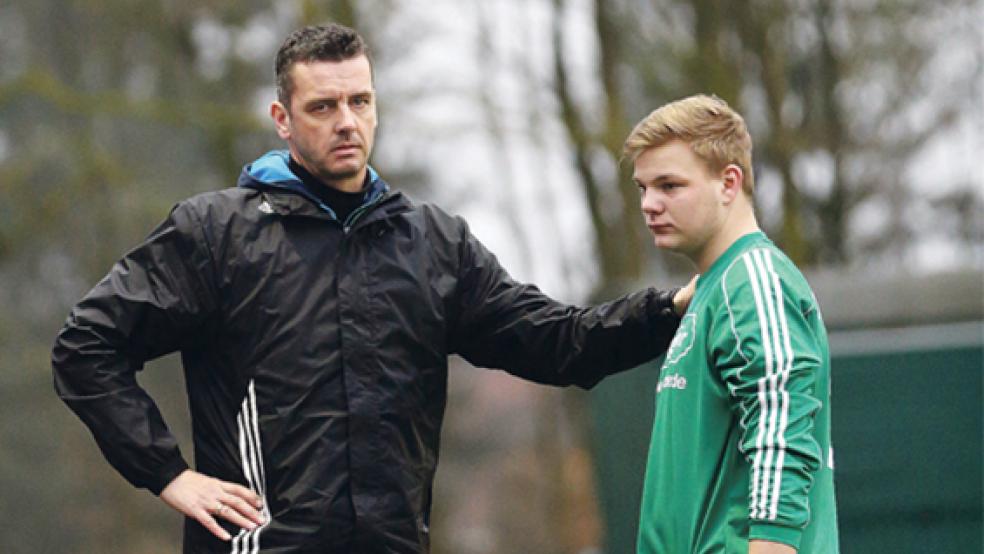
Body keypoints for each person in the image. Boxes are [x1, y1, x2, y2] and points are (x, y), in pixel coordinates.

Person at [51, 23, 692, 554]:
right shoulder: (216, 233)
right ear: (282, 118)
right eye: (323, 107)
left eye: (359, 102)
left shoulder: (434, 244)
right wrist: (170, 475)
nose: (346, 122)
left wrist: (669, 310)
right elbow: (85, 349)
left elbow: (558, 344)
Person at [626, 94, 839, 553]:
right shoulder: (710, 291)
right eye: (643, 188)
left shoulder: (754, 281)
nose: (649, 204)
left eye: (669, 185)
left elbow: (781, 437)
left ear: (728, 182)